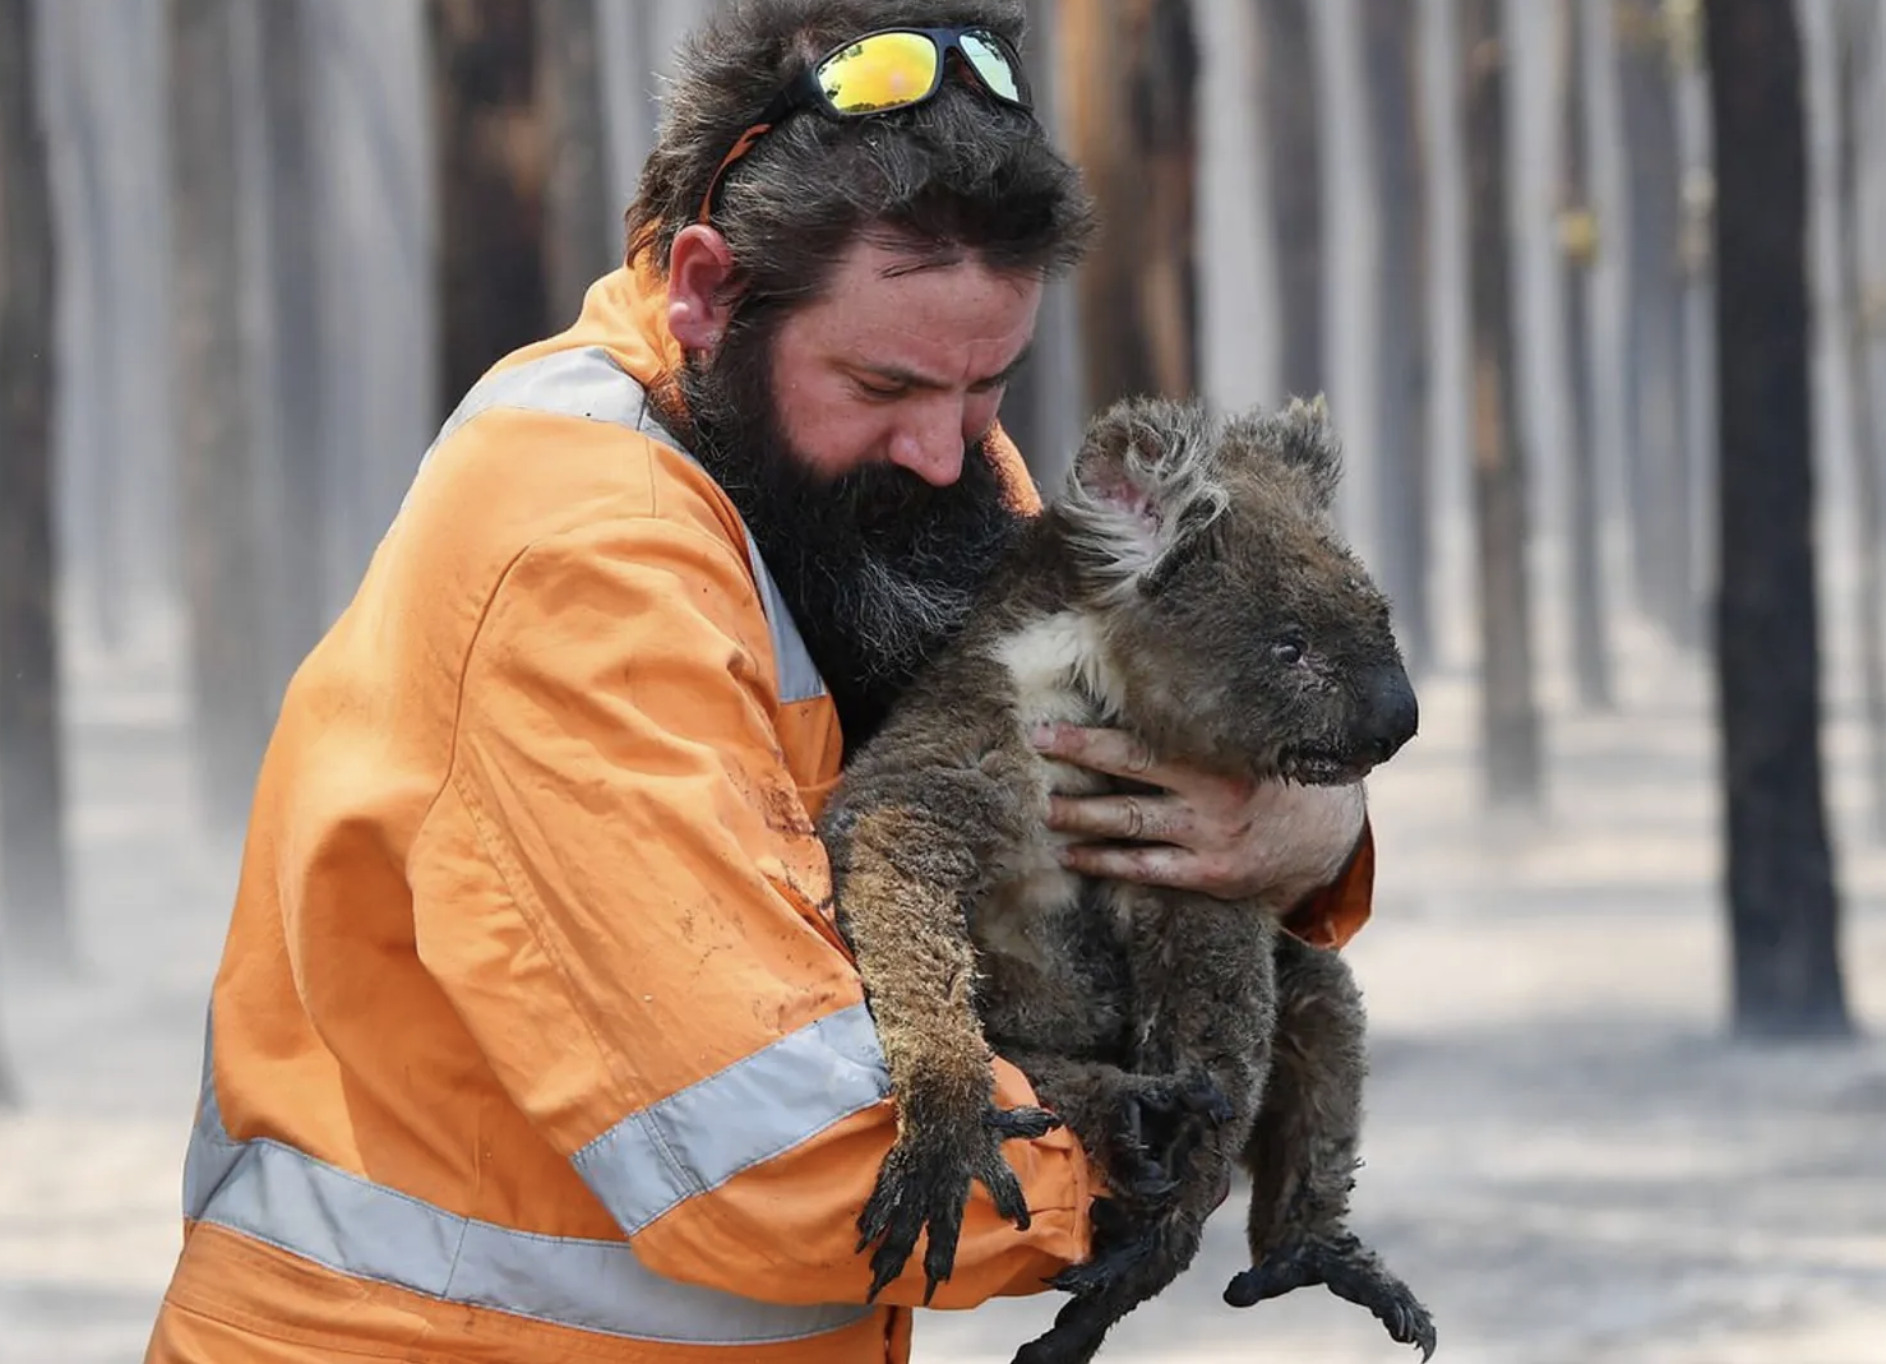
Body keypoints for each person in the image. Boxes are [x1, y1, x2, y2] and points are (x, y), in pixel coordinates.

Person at [141, 3, 1379, 1361]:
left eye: (989, 386)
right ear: (707, 291)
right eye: (886, 381)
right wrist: (1147, 1158)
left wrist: (1310, 837)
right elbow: (774, 1155)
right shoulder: (576, 560)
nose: (944, 447)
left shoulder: (904, 477)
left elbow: (1143, 765)